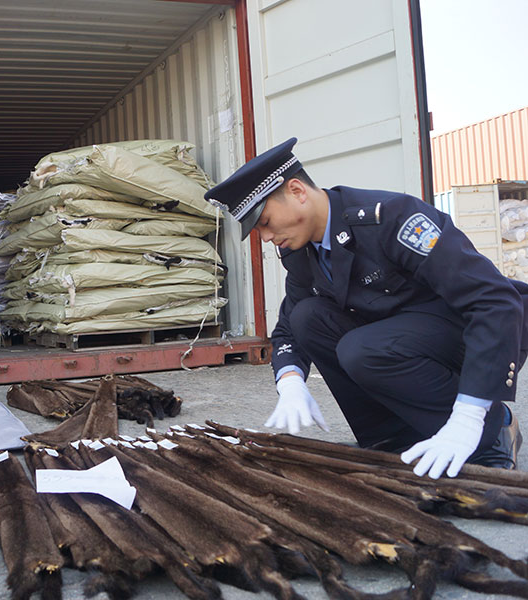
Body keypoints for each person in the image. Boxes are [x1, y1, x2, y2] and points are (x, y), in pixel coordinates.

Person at [205, 138, 524, 479]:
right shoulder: (300, 251)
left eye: (265, 221)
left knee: (363, 350)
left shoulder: (392, 219)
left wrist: (469, 414)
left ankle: (491, 431)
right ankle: (393, 440)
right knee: (308, 317)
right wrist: (290, 380)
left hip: (470, 339)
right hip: (403, 340)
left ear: (297, 191)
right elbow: (289, 325)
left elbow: (494, 302)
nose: (265, 237)